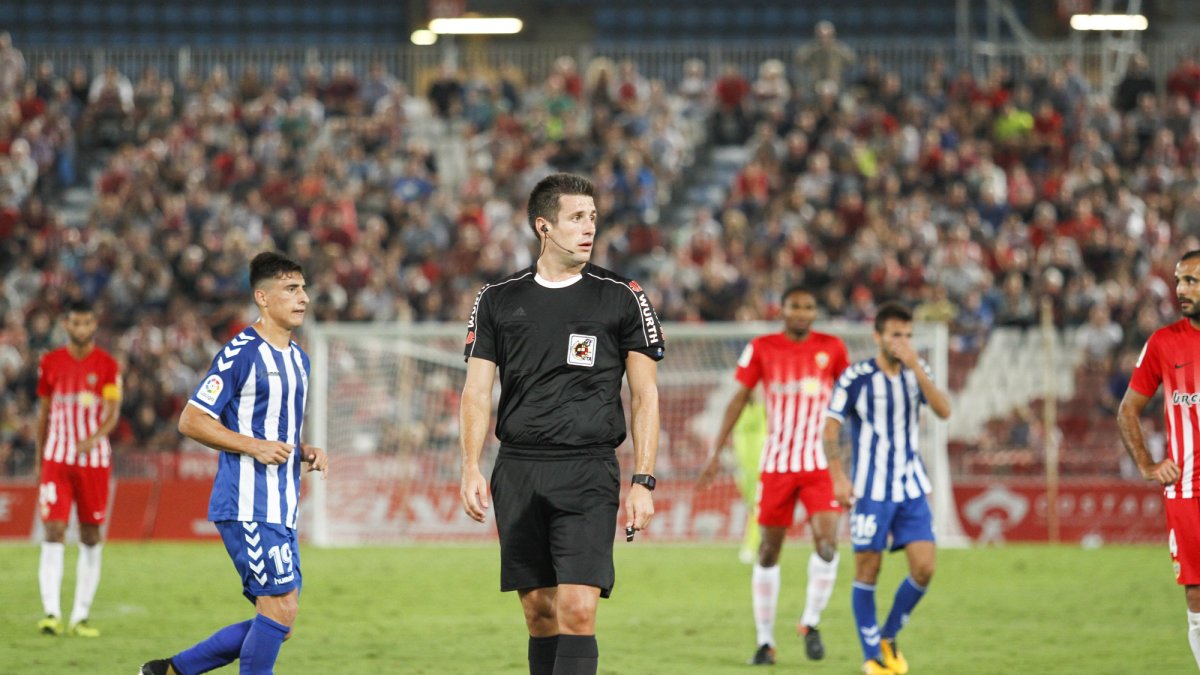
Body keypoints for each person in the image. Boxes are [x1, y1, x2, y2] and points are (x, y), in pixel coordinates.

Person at [459, 173, 665, 675]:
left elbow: (645, 394)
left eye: (593, 217)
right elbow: (476, 391)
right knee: (539, 612)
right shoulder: (498, 298)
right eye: (577, 217)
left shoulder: (623, 295)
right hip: (519, 470)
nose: (589, 227)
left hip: (588, 469)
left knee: (577, 608)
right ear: (543, 226)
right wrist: (469, 466)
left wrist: (643, 480)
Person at [140, 252, 328, 675]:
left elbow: (272, 429)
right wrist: (252, 446)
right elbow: (192, 419)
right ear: (262, 297)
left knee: (281, 620)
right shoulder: (240, 353)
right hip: (248, 504)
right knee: (278, 612)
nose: (304, 298)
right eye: (291, 289)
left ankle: (168, 671)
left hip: (282, 506)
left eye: (303, 288)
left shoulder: (299, 358)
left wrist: (302, 450)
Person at [697, 285, 850, 666]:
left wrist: (847, 455)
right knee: (768, 551)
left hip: (818, 465)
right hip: (777, 465)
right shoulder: (762, 347)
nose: (801, 312)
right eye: (795, 306)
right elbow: (738, 399)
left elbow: (850, 399)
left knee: (828, 543)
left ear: (815, 311)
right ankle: (765, 642)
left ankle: (810, 622)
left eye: (808, 306)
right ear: (782, 310)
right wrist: (716, 452)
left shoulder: (832, 348)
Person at [823, 302, 951, 675]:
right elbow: (830, 429)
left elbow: (944, 410)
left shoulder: (916, 371)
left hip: (911, 486)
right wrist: (838, 477)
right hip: (869, 490)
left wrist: (916, 368)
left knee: (924, 568)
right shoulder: (856, 377)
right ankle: (872, 658)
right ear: (877, 336)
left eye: (908, 336)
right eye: (896, 334)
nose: (903, 342)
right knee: (868, 570)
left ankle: (888, 635)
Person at [1117, 250, 1200, 669]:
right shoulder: (1164, 342)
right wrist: (1149, 466)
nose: (1182, 289)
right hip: (1188, 490)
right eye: (1179, 280)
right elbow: (1127, 410)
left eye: (1192, 281)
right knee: (1196, 593)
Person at [35, 299, 122, 637]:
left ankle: (80, 616)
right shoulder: (50, 363)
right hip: (57, 460)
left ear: (94, 325)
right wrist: (39, 456)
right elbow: (43, 413)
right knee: (54, 530)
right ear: (66, 325)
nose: (81, 329)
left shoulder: (107, 365)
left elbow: (113, 411)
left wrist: (95, 437)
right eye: (76, 323)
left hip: (94, 461)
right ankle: (51, 613)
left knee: (90, 535)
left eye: (87, 323)